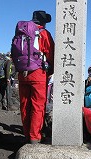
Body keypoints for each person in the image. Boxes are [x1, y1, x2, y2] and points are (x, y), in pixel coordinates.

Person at [17, 10, 54, 144]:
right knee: (37, 106)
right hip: (38, 73)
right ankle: (34, 137)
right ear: (43, 22)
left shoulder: (22, 32)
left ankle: (27, 135)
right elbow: (50, 53)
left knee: (25, 104)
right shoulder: (44, 33)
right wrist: (51, 71)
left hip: (22, 73)